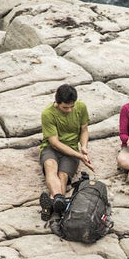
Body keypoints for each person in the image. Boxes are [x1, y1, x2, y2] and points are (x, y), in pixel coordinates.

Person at [39, 83, 91, 220]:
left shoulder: (81, 107)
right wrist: (80, 156)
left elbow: (84, 130)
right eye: (65, 107)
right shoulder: (47, 114)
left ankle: (52, 204)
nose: (69, 110)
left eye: (71, 106)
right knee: (51, 167)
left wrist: (84, 146)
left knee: (63, 176)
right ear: (57, 102)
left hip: (72, 148)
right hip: (51, 148)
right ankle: (59, 201)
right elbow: (54, 143)